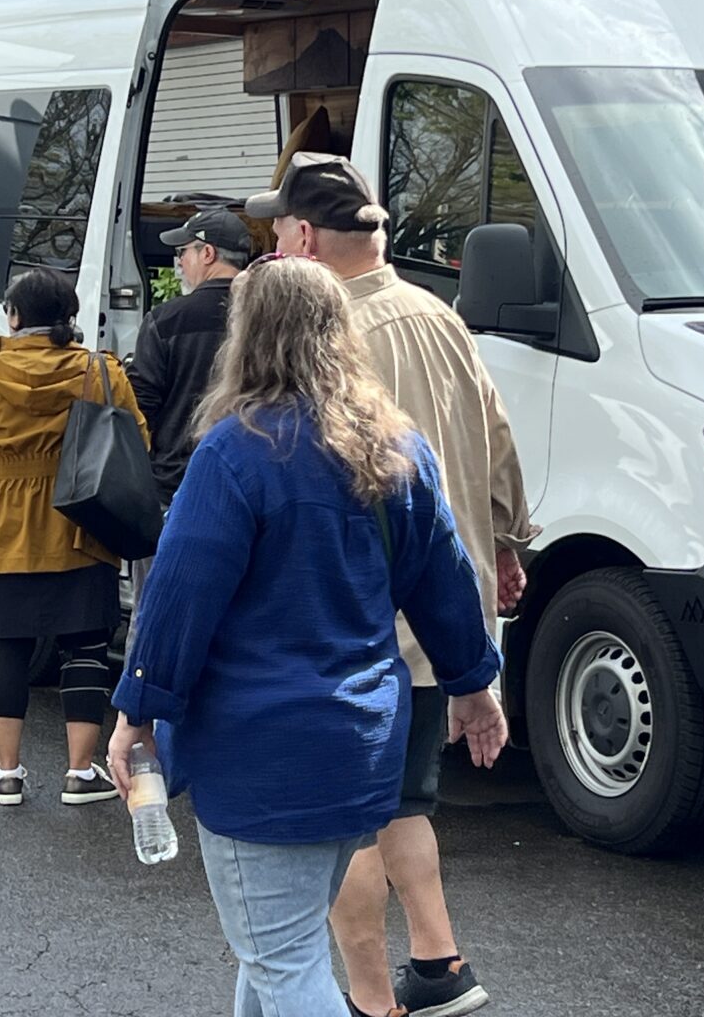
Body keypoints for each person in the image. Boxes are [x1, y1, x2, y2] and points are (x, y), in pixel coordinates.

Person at [107, 258, 507, 1017]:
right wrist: (471, 685)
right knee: (277, 950)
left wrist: (136, 711)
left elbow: (178, 597)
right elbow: (446, 582)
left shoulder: (236, 452)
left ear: (247, 338)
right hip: (362, 747)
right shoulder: (398, 448)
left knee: (283, 959)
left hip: (261, 753)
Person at [247, 154, 536, 1017]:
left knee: (343, 825)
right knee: (406, 799)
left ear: (302, 238)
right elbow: (496, 433)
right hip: (451, 600)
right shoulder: (438, 315)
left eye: (277, 229)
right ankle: (441, 965)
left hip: (363, 614)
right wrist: (509, 539)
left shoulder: (326, 338)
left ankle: (371, 1000)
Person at [0, 268, 145, 807]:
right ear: (71, 316)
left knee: (7, 649)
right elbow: (137, 438)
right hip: (81, 526)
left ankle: (8, 774)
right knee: (84, 648)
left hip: (2, 530)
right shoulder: (98, 370)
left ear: (14, 317)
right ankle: (80, 773)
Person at [125, 207, 252, 640]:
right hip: (252, 492)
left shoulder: (166, 320)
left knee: (157, 618)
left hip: (172, 489)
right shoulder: (268, 320)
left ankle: (142, 707)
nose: (178, 261)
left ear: (209, 253)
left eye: (184, 251)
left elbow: (140, 407)